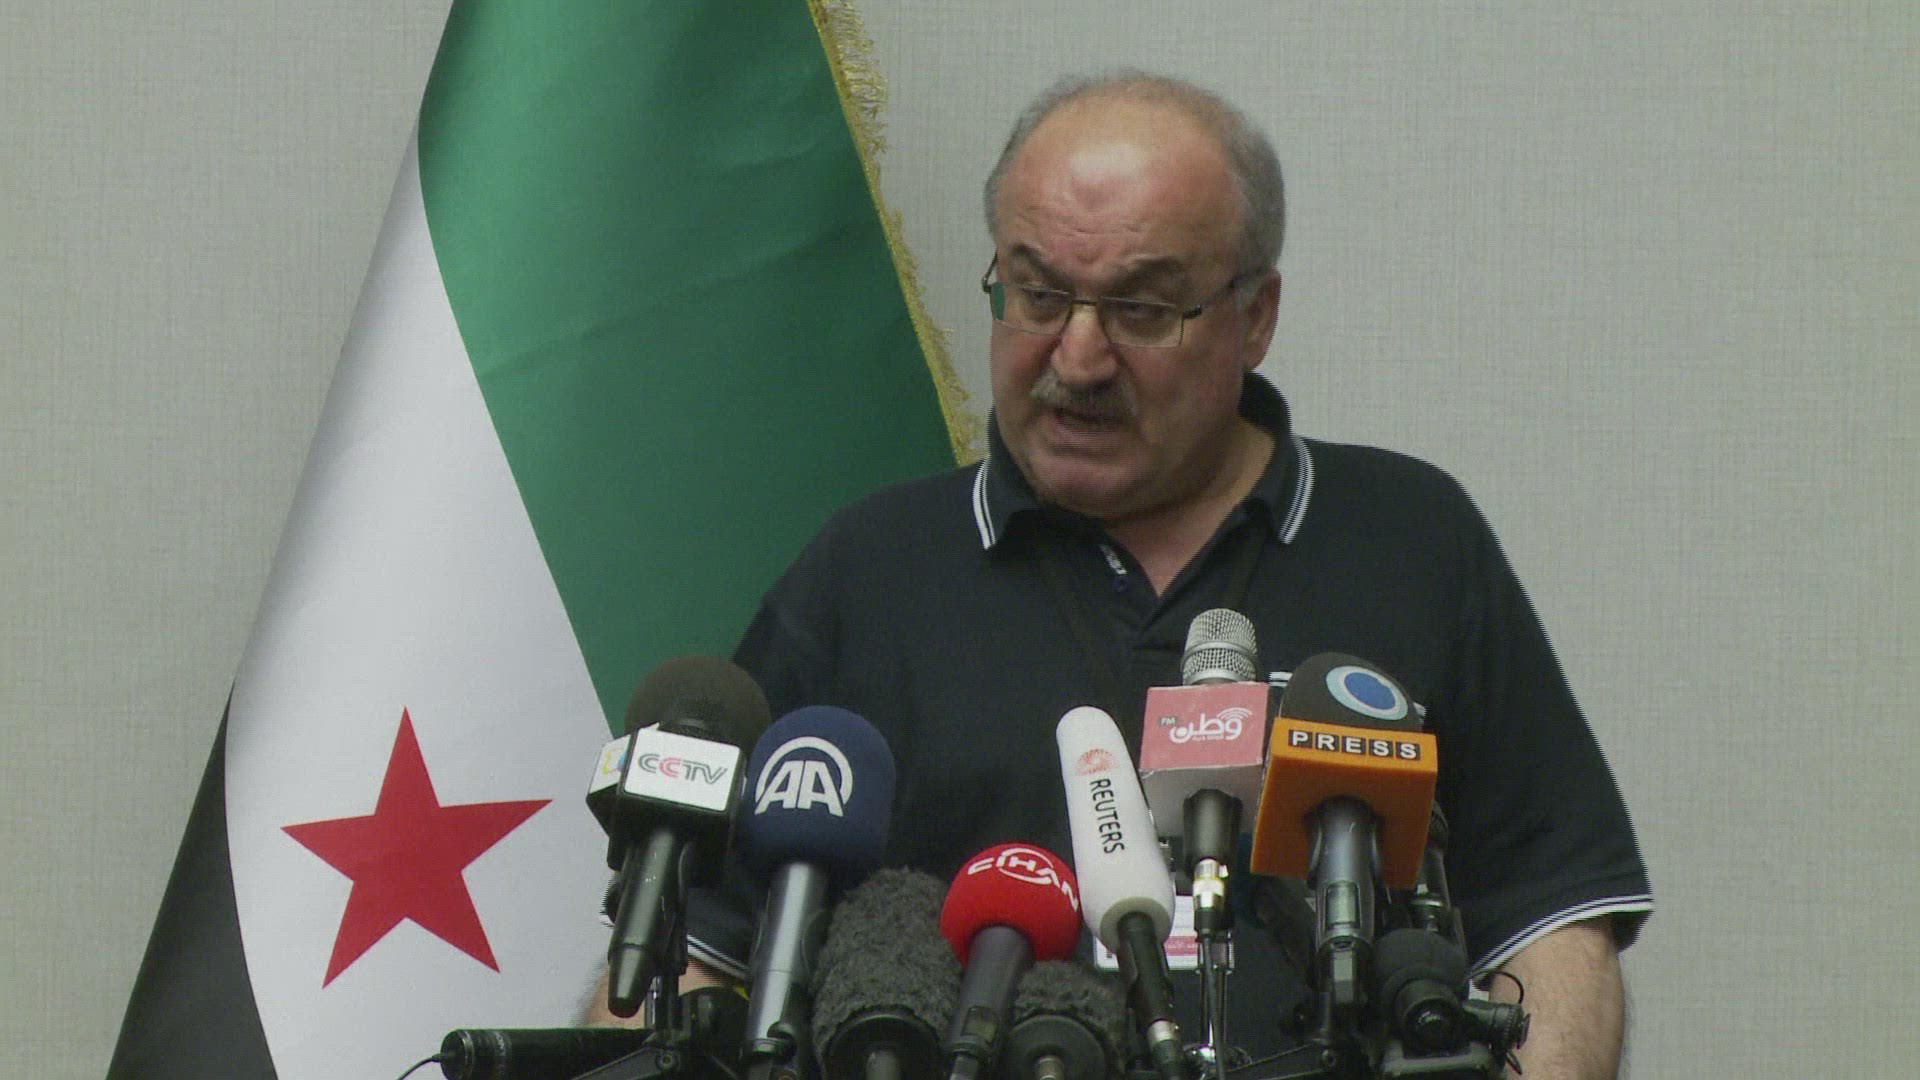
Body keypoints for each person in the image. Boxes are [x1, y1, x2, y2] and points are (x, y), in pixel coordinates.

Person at [600, 71, 1653, 1079]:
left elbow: (1553, 931)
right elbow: (695, 966)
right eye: (1037, 293)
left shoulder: (1412, 539)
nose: (1078, 357)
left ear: (1255, 315)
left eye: (1142, 309)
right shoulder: (869, 570)